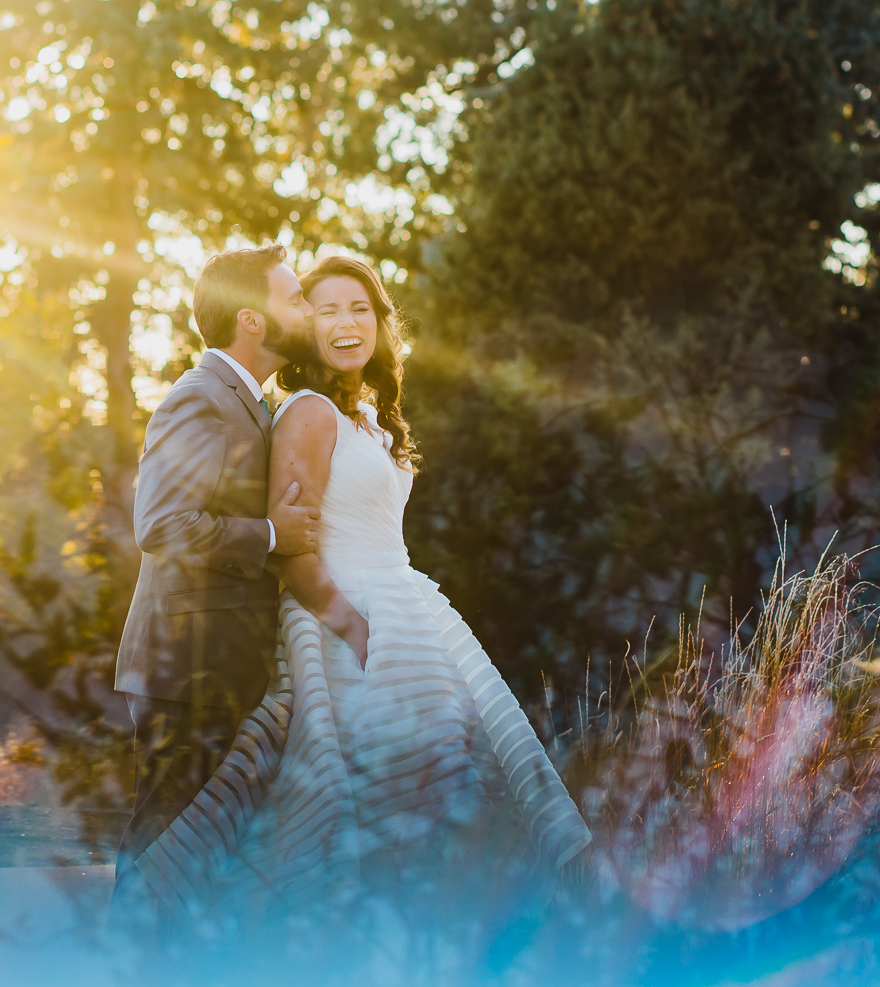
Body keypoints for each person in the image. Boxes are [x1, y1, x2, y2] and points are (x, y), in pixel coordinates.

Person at [129, 255, 592, 914]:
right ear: (279, 323)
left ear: (380, 321)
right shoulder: (292, 411)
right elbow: (275, 542)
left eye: (360, 308)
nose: (343, 322)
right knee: (333, 805)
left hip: (400, 613)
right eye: (319, 307)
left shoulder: (353, 416)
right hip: (327, 623)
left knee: (437, 787)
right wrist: (353, 626)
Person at [110, 243, 319, 908]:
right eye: (294, 299)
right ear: (252, 319)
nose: (307, 311)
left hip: (224, 670)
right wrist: (273, 537)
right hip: (186, 673)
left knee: (202, 862)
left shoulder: (254, 403)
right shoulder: (200, 397)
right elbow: (164, 524)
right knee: (163, 846)